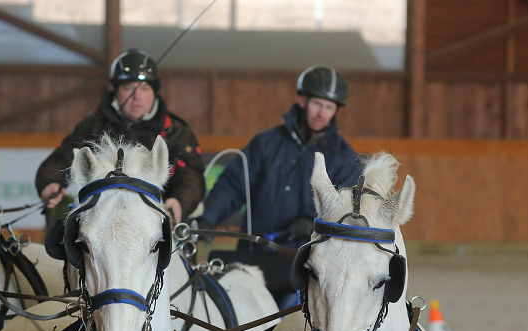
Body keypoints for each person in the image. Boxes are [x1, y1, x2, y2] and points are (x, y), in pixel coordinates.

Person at [195, 65, 362, 249]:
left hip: (311, 260)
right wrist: (208, 217)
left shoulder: (343, 157)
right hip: (257, 251)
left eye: (329, 107)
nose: (321, 114)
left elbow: (348, 205)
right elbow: (233, 185)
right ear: (302, 99)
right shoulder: (265, 144)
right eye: (317, 104)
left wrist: (313, 221)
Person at [35, 49, 206, 226]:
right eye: (128, 88)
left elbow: (191, 177)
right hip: (102, 221)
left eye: (145, 88)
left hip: (159, 221)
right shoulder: (93, 126)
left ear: (155, 92)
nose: (136, 97)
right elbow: (60, 160)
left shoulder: (176, 131)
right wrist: (49, 183)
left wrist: (179, 203)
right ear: (116, 91)